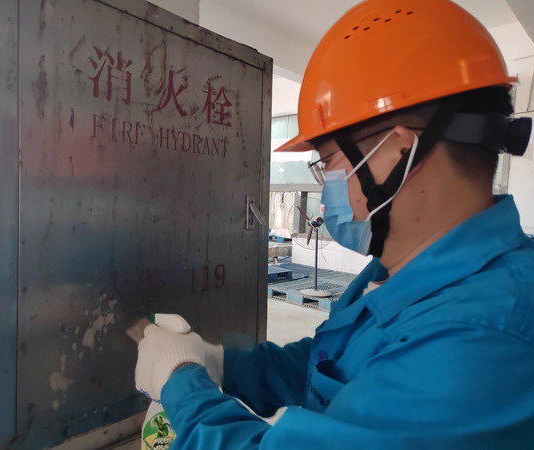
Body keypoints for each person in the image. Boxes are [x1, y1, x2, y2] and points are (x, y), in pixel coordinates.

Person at [134, 0, 534, 448]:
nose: (326, 185)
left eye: (328, 162)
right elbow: (331, 366)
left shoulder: (482, 334)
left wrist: (183, 384)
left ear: (400, 152)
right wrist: (226, 365)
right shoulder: (394, 273)